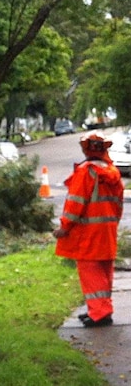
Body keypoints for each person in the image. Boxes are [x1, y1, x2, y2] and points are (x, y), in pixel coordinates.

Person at [53, 131, 124, 327]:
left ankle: (99, 313)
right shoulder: (113, 172)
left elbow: (75, 204)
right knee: (104, 271)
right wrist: (112, 224)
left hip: (88, 234)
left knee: (90, 272)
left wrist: (64, 228)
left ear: (86, 148)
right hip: (107, 230)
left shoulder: (85, 172)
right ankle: (102, 309)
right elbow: (118, 205)